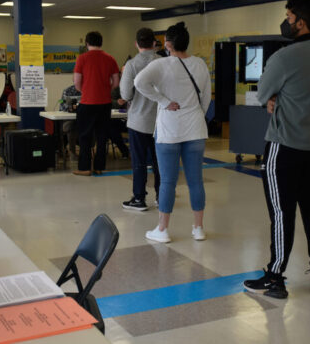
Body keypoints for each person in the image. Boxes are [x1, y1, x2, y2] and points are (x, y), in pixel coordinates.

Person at [243, 0, 310, 299]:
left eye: (288, 17)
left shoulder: (284, 57)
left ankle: (275, 277)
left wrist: (275, 99)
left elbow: (262, 95)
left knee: (282, 213)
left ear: (301, 20)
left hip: (284, 147)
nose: (286, 22)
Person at [134, 21, 210, 243]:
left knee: (167, 181)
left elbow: (139, 83)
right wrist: (196, 114)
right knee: (196, 181)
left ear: (167, 44)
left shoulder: (162, 64)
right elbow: (205, 98)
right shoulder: (200, 64)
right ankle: (198, 229)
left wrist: (164, 101)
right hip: (195, 129)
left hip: (169, 130)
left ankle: (162, 229)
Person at [119, 27, 162, 211]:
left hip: (138, 121)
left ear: (136, 44)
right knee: (160, 161)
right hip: (160, 122)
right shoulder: (163, 62)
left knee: (139, 162)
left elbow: (126, 94)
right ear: (154, 43)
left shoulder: (131, 65)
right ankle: (162, 196)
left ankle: (139, 198)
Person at [72, 31, 120, 176]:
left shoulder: (82, 58)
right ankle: (99, 167)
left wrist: (86, 91)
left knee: (85, 136)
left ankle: (85, 168)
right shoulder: (110, 59)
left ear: (86, 44)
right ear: (101, 43)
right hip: (105, 103)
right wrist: (105, 90)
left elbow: (76, 83)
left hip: (87, 102)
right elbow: (116, 82)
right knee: (102, 136)